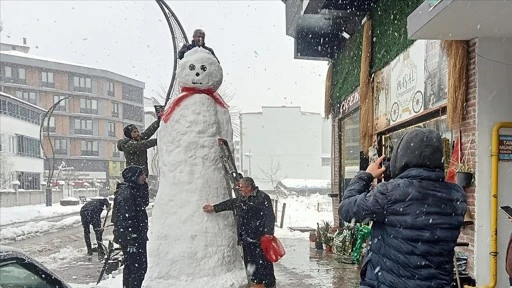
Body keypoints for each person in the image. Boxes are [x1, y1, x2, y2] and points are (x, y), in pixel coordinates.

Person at [339, 128, 467, 288]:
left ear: (401, 156)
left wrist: (366, 175)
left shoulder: (390, 193)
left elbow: (346, 209)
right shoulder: (456, 195)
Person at [202, 177, 276, 288]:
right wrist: (214, 207)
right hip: (246, 238)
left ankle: (269, 284)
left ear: (249, 187)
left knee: (264, 262)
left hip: (259, 238)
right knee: (250, 263)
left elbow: (270, 216)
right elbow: (230, 203)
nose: (239, 189)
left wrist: (268, 233)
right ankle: (257, 282)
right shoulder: (242, 198)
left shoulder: (262, 198)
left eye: (241, 187)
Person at [112, 165, 149, 288]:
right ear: (134, 177)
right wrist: (132, 239)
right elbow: (126, 218)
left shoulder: (132, 190)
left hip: (134, 237)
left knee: (133, 268)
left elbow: (145, 202)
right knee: (137, 270)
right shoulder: (126, 193)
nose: (145, 177)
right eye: (142, 174)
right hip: (132, 238)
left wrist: (144, 185)